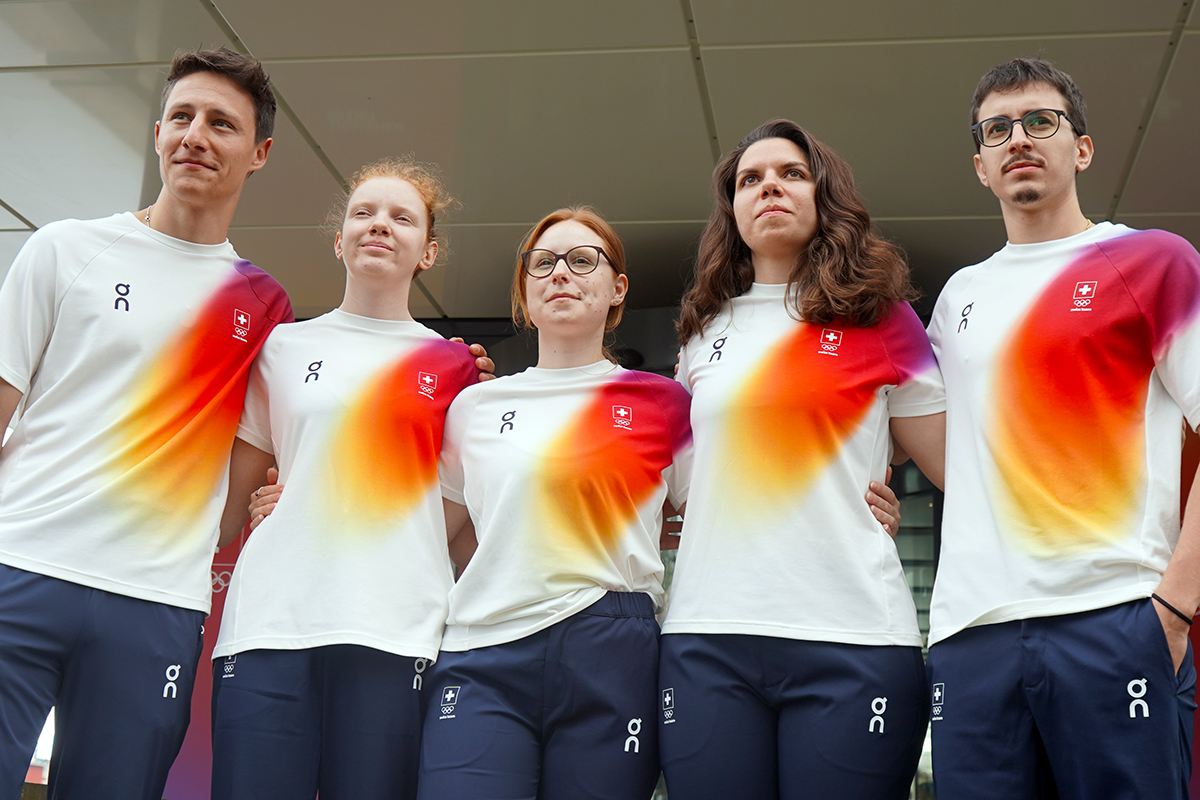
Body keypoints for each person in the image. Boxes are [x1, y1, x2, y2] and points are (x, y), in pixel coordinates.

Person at [0, 47, 292, 799]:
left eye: (221, 123)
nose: (196, 134)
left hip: (155, 604)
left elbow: (251, 469)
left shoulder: (264, 307)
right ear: (157, 132)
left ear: (258, 153)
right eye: (183, 117)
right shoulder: (64, 250)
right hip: (20, 570)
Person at [925, 57, 1200, 799]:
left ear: (1080, 147)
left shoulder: (1155, 262)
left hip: (1114, 617)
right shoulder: (957, 301)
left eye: (1040, 121)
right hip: (970, 631)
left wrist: (1173, 609)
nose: (1019, 138)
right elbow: (957, 450)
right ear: (980, 165)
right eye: (997, 129)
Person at [658, 119, 946, 800]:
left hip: (855, 638)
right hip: (707, 637)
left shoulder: (883, 318)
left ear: (824, 195)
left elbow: (959, 468)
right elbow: (689, 487)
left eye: (790, 173)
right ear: (731, 210)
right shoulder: (702, 334)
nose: (769, 188)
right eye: (750, 180)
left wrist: (874, 476)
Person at [209, 158, 483, 800]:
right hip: (270, 623)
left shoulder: (455, 368)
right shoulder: (280, 349)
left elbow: (459, 512)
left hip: (396, 628)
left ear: (429, 251)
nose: (379, 225)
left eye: (401, 217)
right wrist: (263, 505)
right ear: (339, 240)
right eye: (363, 212)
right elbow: (232, 495)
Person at [414, 206, 693, 800]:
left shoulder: (666, 404)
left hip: (612, 641)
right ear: (524, 290)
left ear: (618, 288)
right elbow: (425, 533)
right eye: (542, 264)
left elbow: (725, 515)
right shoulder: (475, 407)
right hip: (482, 647)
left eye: (582, 260)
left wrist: (857, 507)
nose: (560, 273)